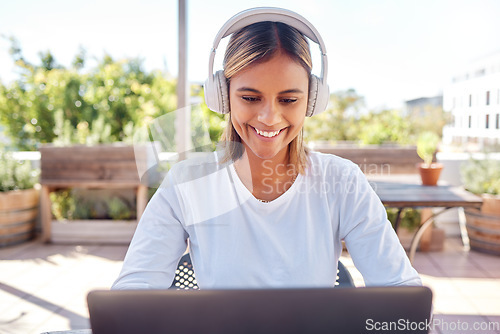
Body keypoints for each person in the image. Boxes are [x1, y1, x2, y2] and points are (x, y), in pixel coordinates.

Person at [112, 7, 421, 290]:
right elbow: (134, 288)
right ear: (223, 95)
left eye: (288, 100)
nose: (269, 118)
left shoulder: (342, 182)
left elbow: (401, 289)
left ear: (312, 101)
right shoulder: (187, 183)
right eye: (250, 98)